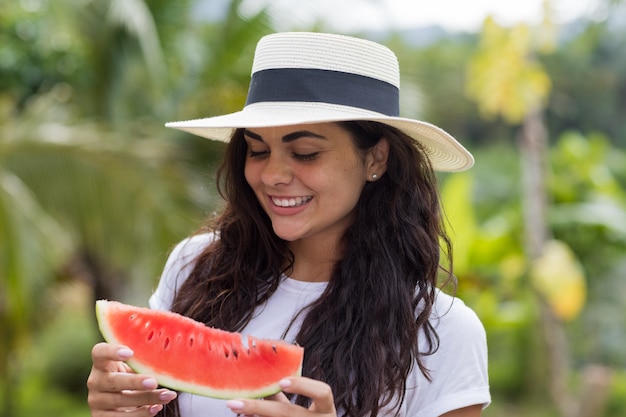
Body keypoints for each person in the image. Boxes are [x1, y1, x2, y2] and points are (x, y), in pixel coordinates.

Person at [87, 32, 490, 417]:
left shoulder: (443, 331)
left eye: (305, 152)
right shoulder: (195, 265)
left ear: (376, 159)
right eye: (258, 149)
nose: (273, 174)